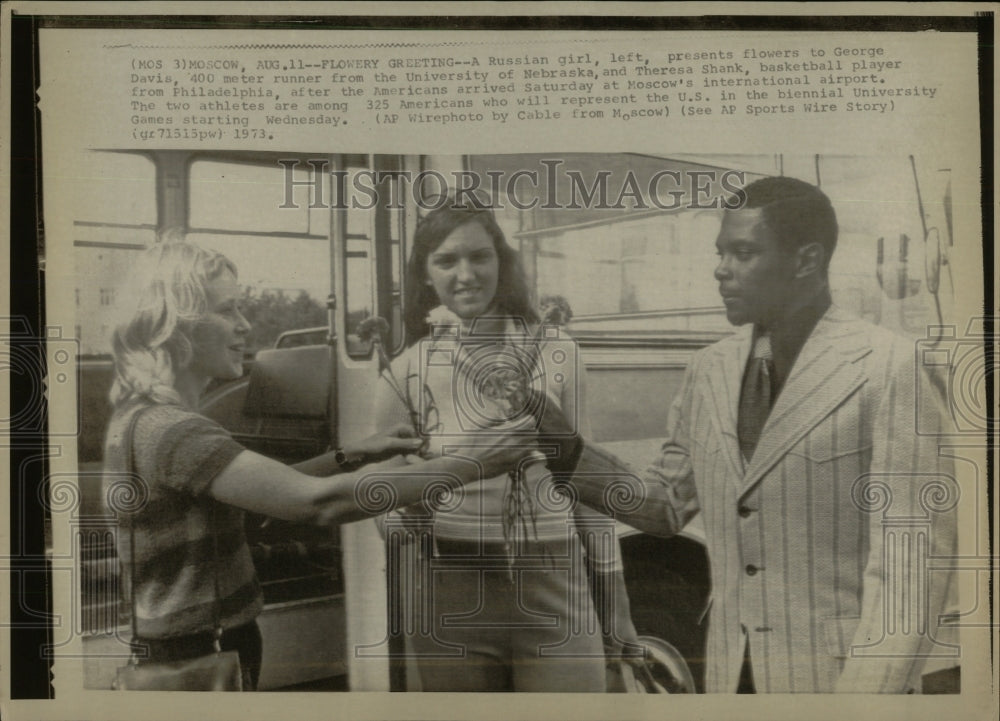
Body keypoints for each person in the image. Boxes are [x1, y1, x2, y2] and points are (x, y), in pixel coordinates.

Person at [570, 176, 956, 693]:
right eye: (721, 252)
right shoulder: (708, 370)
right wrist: (561, 449)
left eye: (743, 252)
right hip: (732, 678)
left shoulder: (891, 368)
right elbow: (665, 506)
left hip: (838, 684)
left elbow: (910, 568)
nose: (720, 269)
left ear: (806, 260)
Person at [102, 241, 533, 691]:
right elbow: (317, 504)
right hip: (200, 653)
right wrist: (474, 463)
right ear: (176, 325)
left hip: (192, 644)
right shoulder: (173, 430)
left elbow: (261, 491)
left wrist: (356, 453)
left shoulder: (143, 417)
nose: (245, 326)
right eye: (228, 311)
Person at [374, 196, 636, 692]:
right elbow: (380, 494)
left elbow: (588, 487)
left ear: (502, 262)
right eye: (446, 261)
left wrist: (616, 604)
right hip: (448, 589)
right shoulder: (405, 368)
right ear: (426, 275)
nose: (466, 274)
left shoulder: (556, 352)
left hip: (555, 584)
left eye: (480, 256)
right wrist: (400, 518)